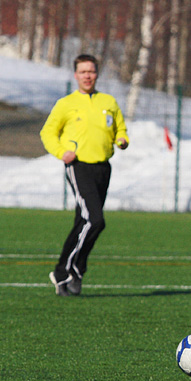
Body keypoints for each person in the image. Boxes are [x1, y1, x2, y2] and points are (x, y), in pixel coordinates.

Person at [41, 54, 129, 296]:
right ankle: (75, 268)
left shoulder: (108, 101)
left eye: (91, 71)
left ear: (97, 73)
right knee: (95, 220)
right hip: (78, 166)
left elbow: (120, 127)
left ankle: (62, 274)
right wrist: (61, 152)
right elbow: (47, 133)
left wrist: (122, 139)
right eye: (83, 72)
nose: (87, 76)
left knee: (83, 221)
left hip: (103, 167)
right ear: (76, 75)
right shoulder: (66, 104)